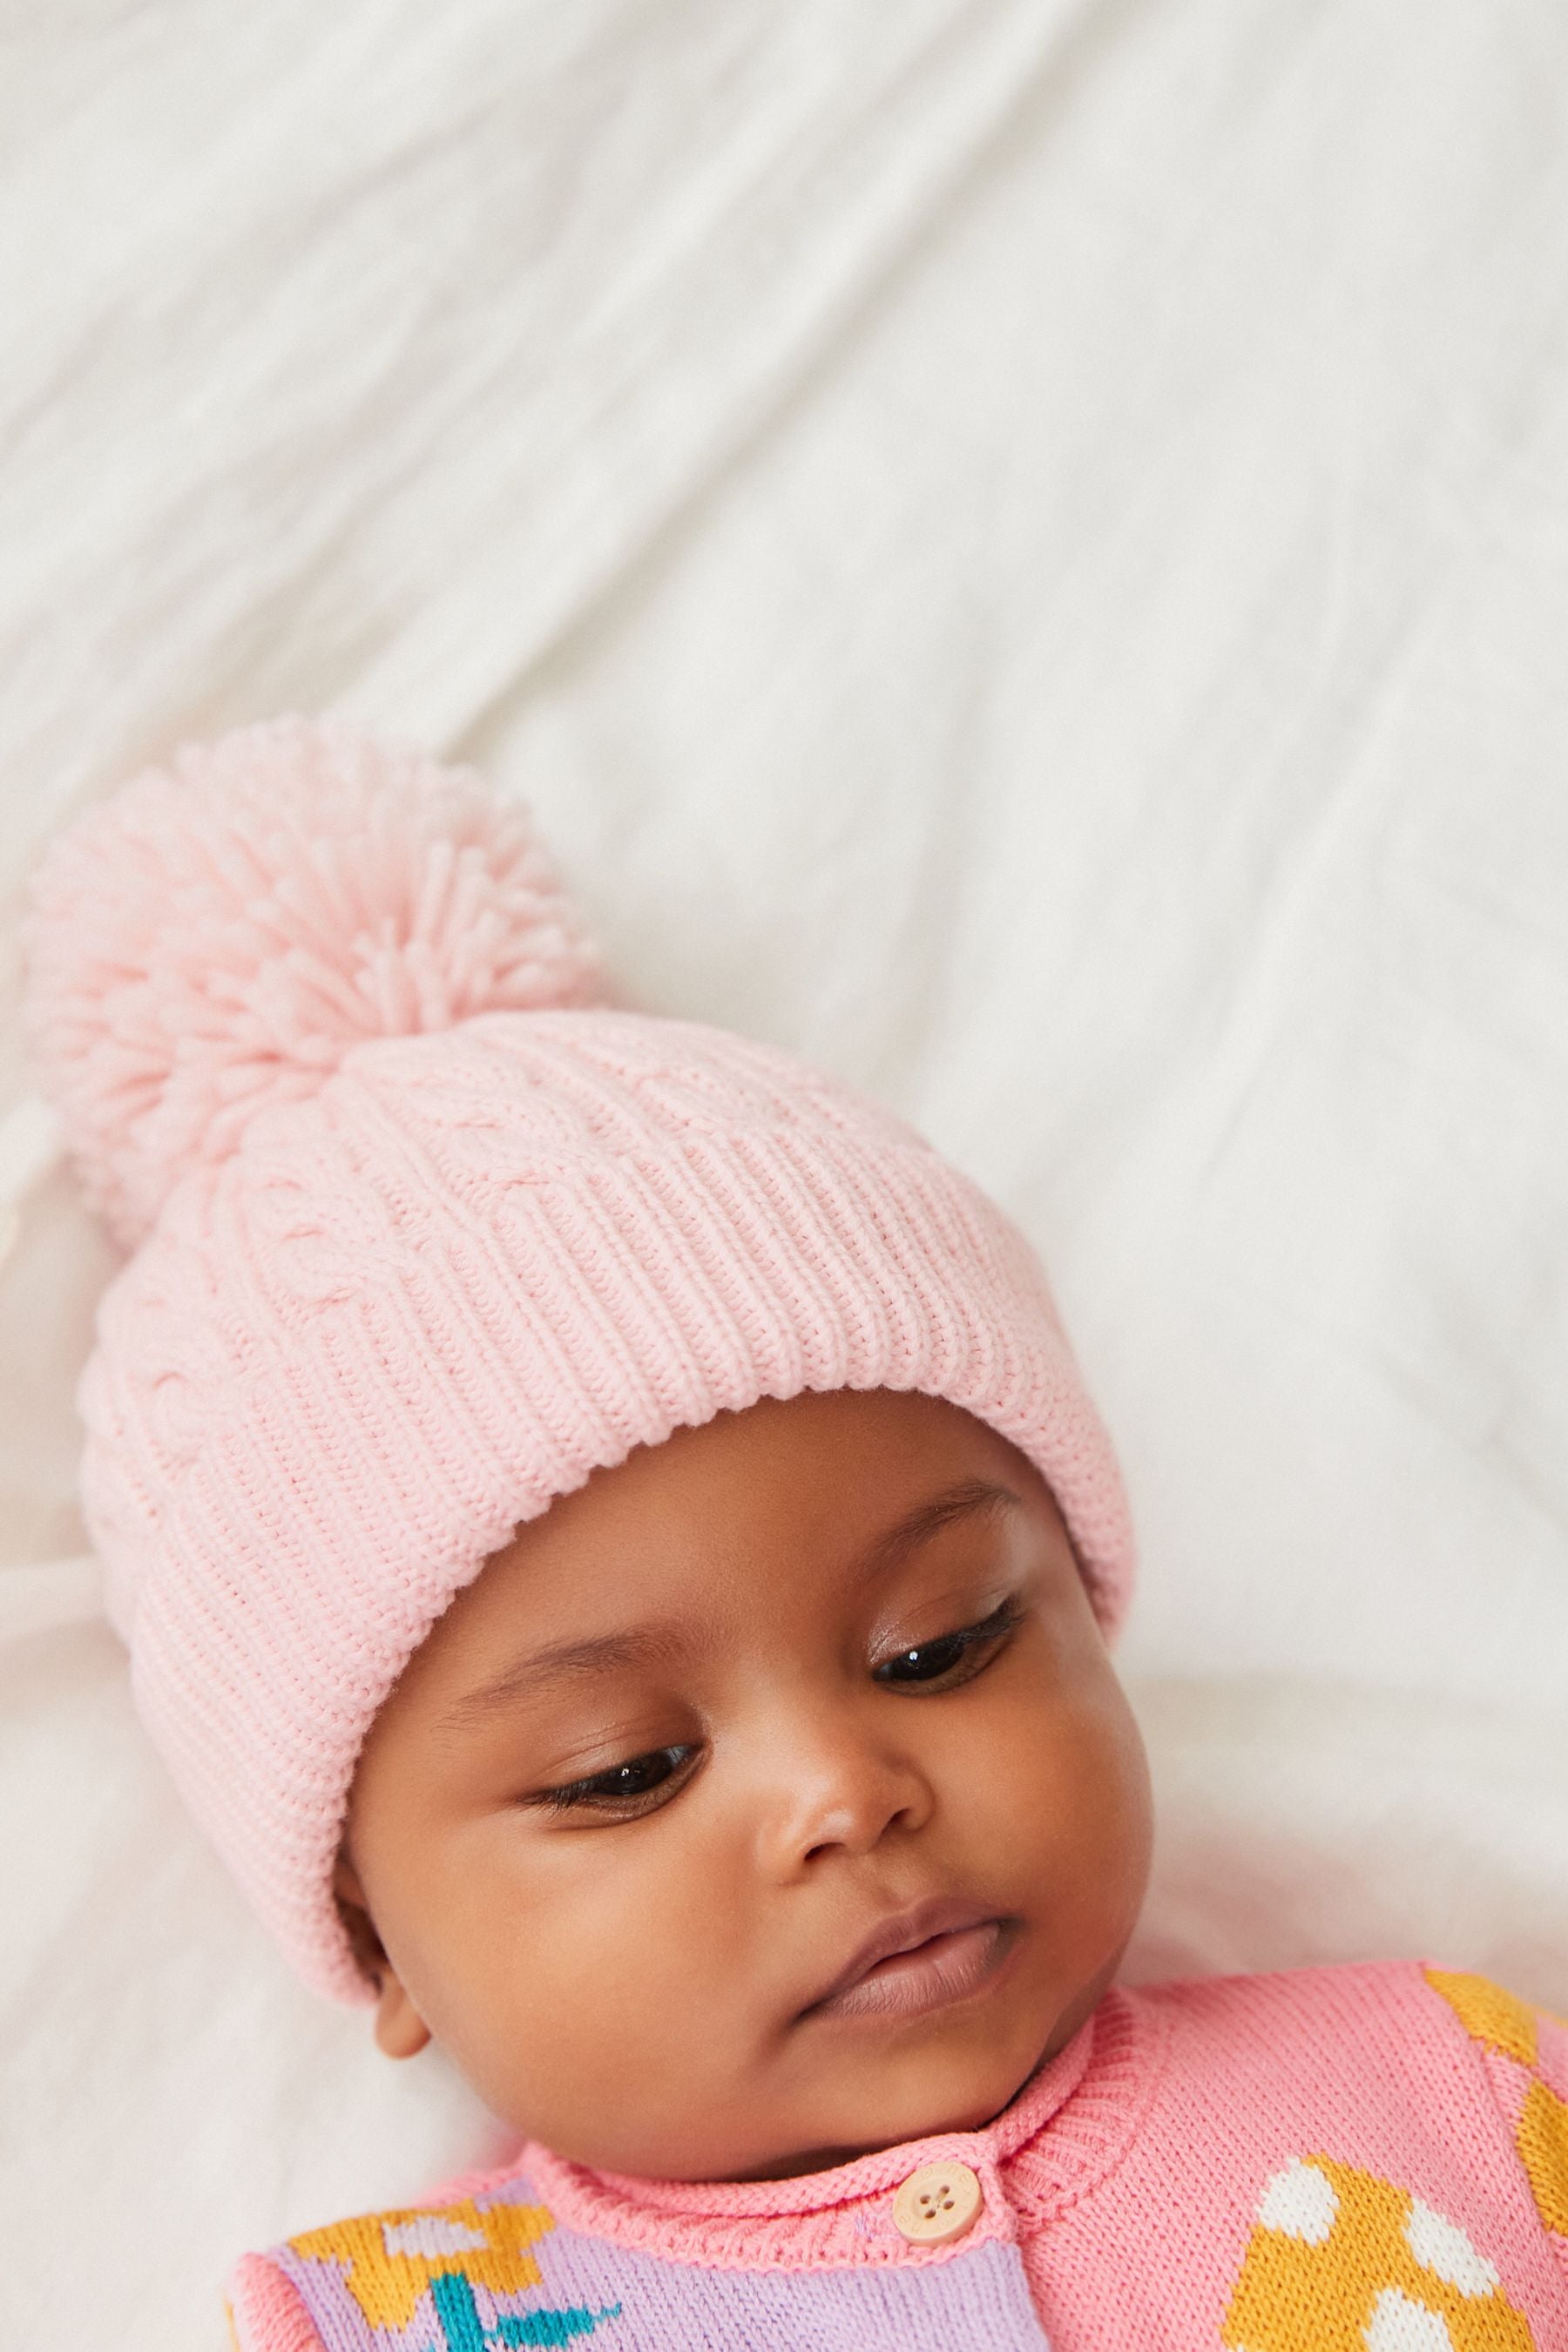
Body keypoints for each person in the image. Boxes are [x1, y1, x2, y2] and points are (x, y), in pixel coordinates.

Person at [24, 719, 1568, 2351]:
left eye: (941, 1644)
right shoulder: (381, 2332)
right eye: (626, 1770)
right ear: (371, 1932)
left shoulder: (1452, 2093)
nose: (844, 1793)